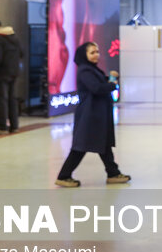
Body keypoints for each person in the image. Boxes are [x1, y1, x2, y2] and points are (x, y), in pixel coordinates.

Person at [55, 42, 130, 187]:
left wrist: (109, 80)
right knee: (81, 147)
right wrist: (113, 83)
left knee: (104, 145)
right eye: (92, 52)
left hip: (98, 114)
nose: (96, 55)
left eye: (97, 52)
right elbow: (96, 88)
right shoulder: (85, 71)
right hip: (90, 115)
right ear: (85, 55)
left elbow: (99, 83)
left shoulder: (91, 69)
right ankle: (63, 176)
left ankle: (113, 173)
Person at [0, 19, 24, 135]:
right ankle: (14, 126)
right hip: (14, 72)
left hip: (1, 73)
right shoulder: (15, 38)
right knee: (12, 99)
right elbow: (22, 53)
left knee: (1, 99)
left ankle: (2, 127)